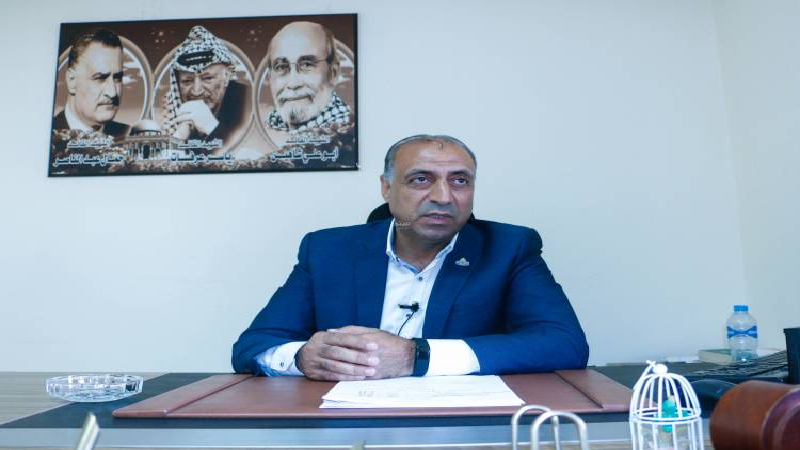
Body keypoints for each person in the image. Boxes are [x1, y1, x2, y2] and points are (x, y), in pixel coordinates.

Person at [232, 134, 589, 380]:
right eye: (421, 179)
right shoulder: (328, 250)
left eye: (460, 181)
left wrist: (415, 356)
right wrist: (301, 357)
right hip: (347, 425)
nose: (443, 196)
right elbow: (254, 346)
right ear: (387, 188)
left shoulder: (509, 248)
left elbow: (565, 343)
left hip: (463, 428)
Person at [161, 25, 250, 150]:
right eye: (187, 81)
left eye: (207, 78)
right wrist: (180, 136)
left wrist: (211, 127)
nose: (196, 91)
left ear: (226, 76)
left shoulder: (248, 102)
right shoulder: (173, 108)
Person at [263, 21, 353, 140]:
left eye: (307, 65)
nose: (293, 84)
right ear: (269, 77)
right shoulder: (265, 131)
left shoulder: (349, 136)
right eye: (281, 67)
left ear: (333, 73)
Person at [53, 29, 129, 140]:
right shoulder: (44, 134)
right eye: (100, 78)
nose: (112, 93)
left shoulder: (130, 135)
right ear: (72, 80)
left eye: (117, 78)